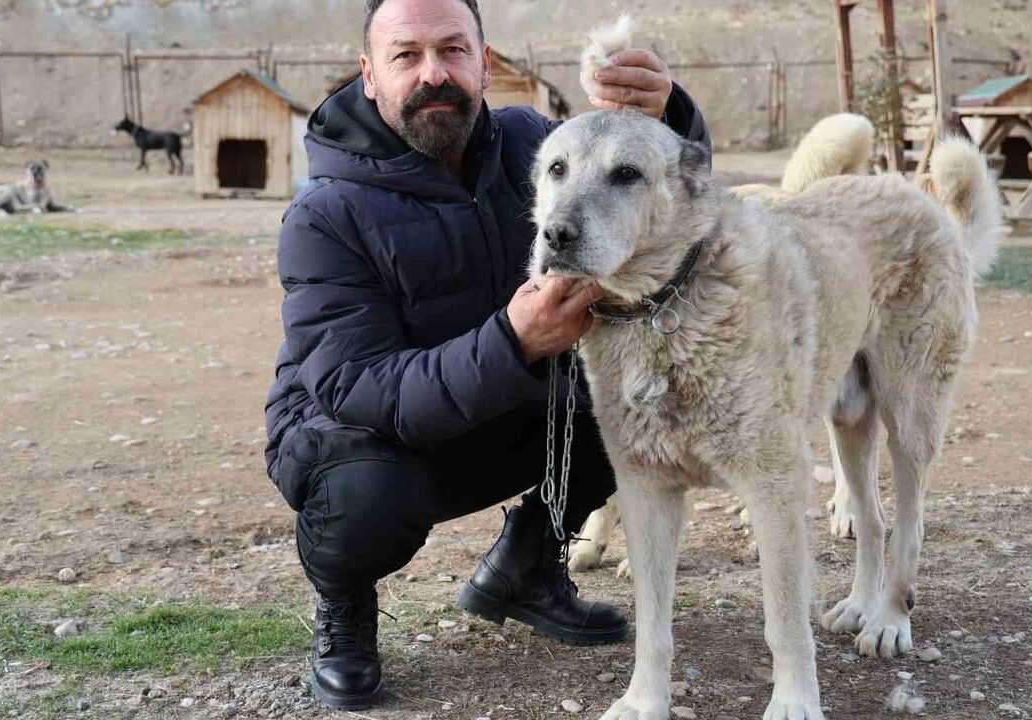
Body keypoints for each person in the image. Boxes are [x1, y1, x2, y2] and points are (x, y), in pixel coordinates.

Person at [263, 0, 710, 708]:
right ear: (369, 75)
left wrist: (669, 115)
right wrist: (513, 342)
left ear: (485, 63)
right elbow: (358, 386)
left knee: (621, 405)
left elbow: (671, 212)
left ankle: (528, 567)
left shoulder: (537, 145)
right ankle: (345, 607)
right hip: (353, 432)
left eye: (453, 51)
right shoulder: (325, 211)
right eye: (406, 55)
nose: (433, 73)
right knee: (366, 496)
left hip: (503, 396)